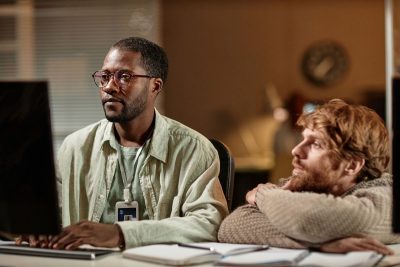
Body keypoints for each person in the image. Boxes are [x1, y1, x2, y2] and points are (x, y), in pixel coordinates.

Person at [17, 37, 228, 249]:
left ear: (155, 86)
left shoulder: (193, 149)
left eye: (124, 76)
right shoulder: (74, 147)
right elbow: (52, 218)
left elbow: (209, 223)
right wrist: (37, 228)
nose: (109, 87)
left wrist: (119, 234)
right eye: (105, 76)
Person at [218, 99, 400, 255]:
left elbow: (313, 218)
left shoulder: (387, 196)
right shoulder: (306, 184)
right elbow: (231, 226)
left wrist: (262, 195)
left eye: (317, 144)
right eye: (303, 139)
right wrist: (318, 244)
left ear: (352, 165)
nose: (295, 150)